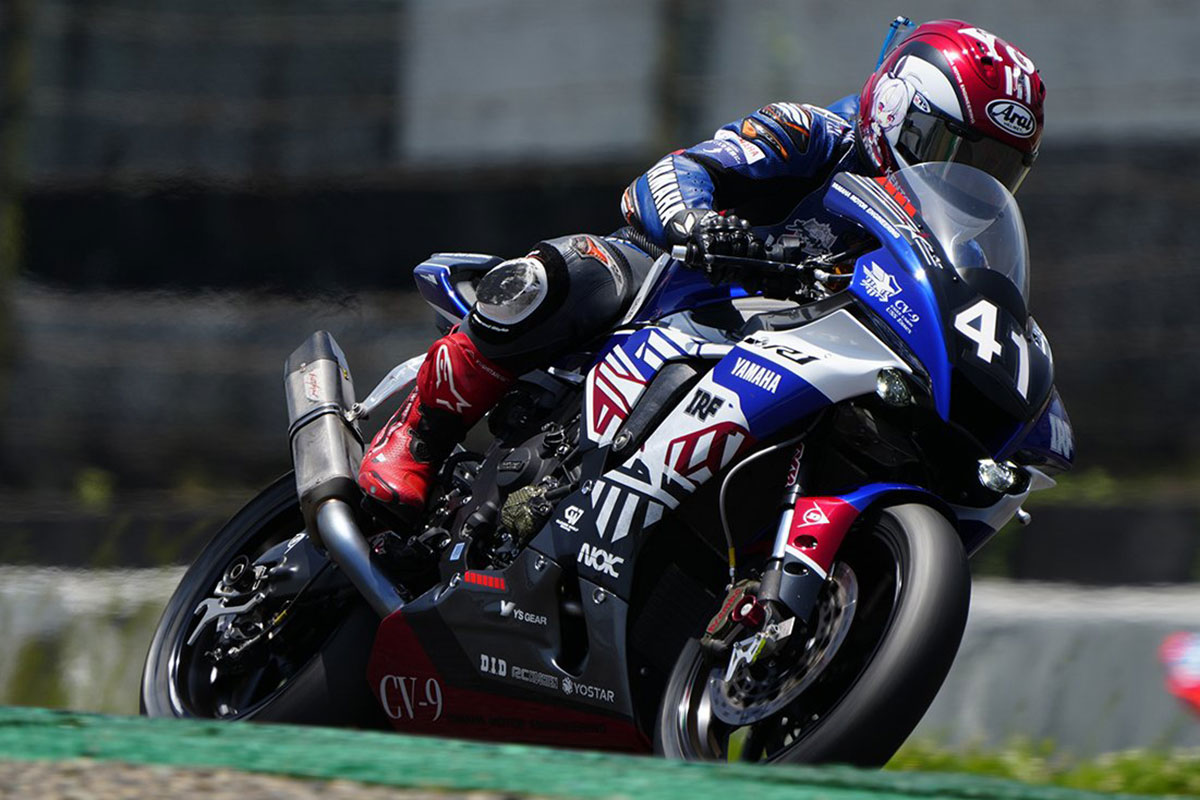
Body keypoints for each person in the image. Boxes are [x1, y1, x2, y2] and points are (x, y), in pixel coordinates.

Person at [357, 18, 1046, 523]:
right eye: (949, 150)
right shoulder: (810, 133)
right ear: (897, 112)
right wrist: (696, 223)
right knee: (576, 270)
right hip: (684, 299)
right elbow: (674, 174)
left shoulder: (955, 240)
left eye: (991, 170)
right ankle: (419, 431)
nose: (958, 178)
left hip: (812, 365)